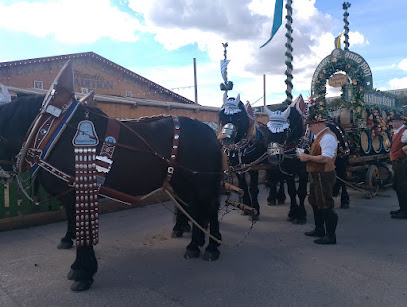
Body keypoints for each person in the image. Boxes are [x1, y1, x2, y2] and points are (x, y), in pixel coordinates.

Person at [297, 111, 338, 244]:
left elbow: (326, 158)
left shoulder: (327, 137)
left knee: (325, 203)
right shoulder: (319, 136)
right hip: (316, 174)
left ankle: (331, 236)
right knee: (315, 201)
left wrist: (307, 157)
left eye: (311, 125)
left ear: (319, 124)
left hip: (324, 175)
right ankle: (319, 229)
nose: (309, 128)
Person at [389, 114, 407, 219]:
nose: (393, 123)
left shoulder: (404, 132)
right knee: (397, 186)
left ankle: (405, 211)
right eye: (393, 121)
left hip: (402, 162)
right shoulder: (397, 132)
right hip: (396, 162)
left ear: (402, 122)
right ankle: (402, 208)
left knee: (402, 187)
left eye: (396, 121)